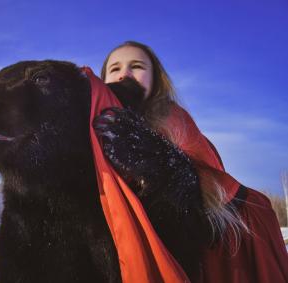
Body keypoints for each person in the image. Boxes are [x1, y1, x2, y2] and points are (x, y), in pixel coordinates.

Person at [99, 40, 288, 282]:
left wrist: (155, 157)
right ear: (102, 80)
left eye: (136, 66)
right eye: (114, 69)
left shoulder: (172, 117)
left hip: (217, 242)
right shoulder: (96, 123)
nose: (124, 73)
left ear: (156, 79)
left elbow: (205, 183)